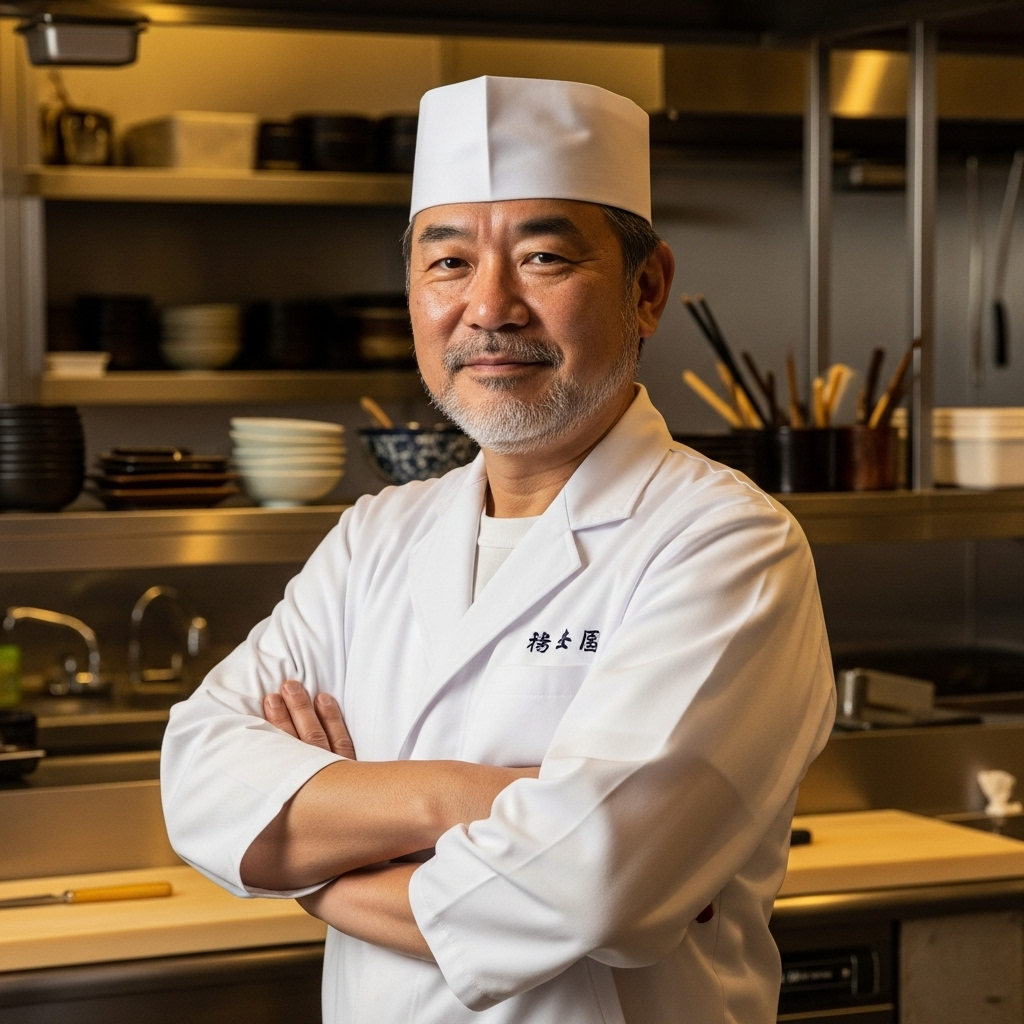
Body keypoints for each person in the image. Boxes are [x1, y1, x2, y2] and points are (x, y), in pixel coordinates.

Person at [161, 75, 835, 1024]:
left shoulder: (728, 546)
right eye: (447, 264)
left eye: (546, 257)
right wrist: (473, 800)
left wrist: (312, 868)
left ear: (647, 291)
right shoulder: (375, 537)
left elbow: (587, 889)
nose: (490, 307)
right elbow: (198, 780)